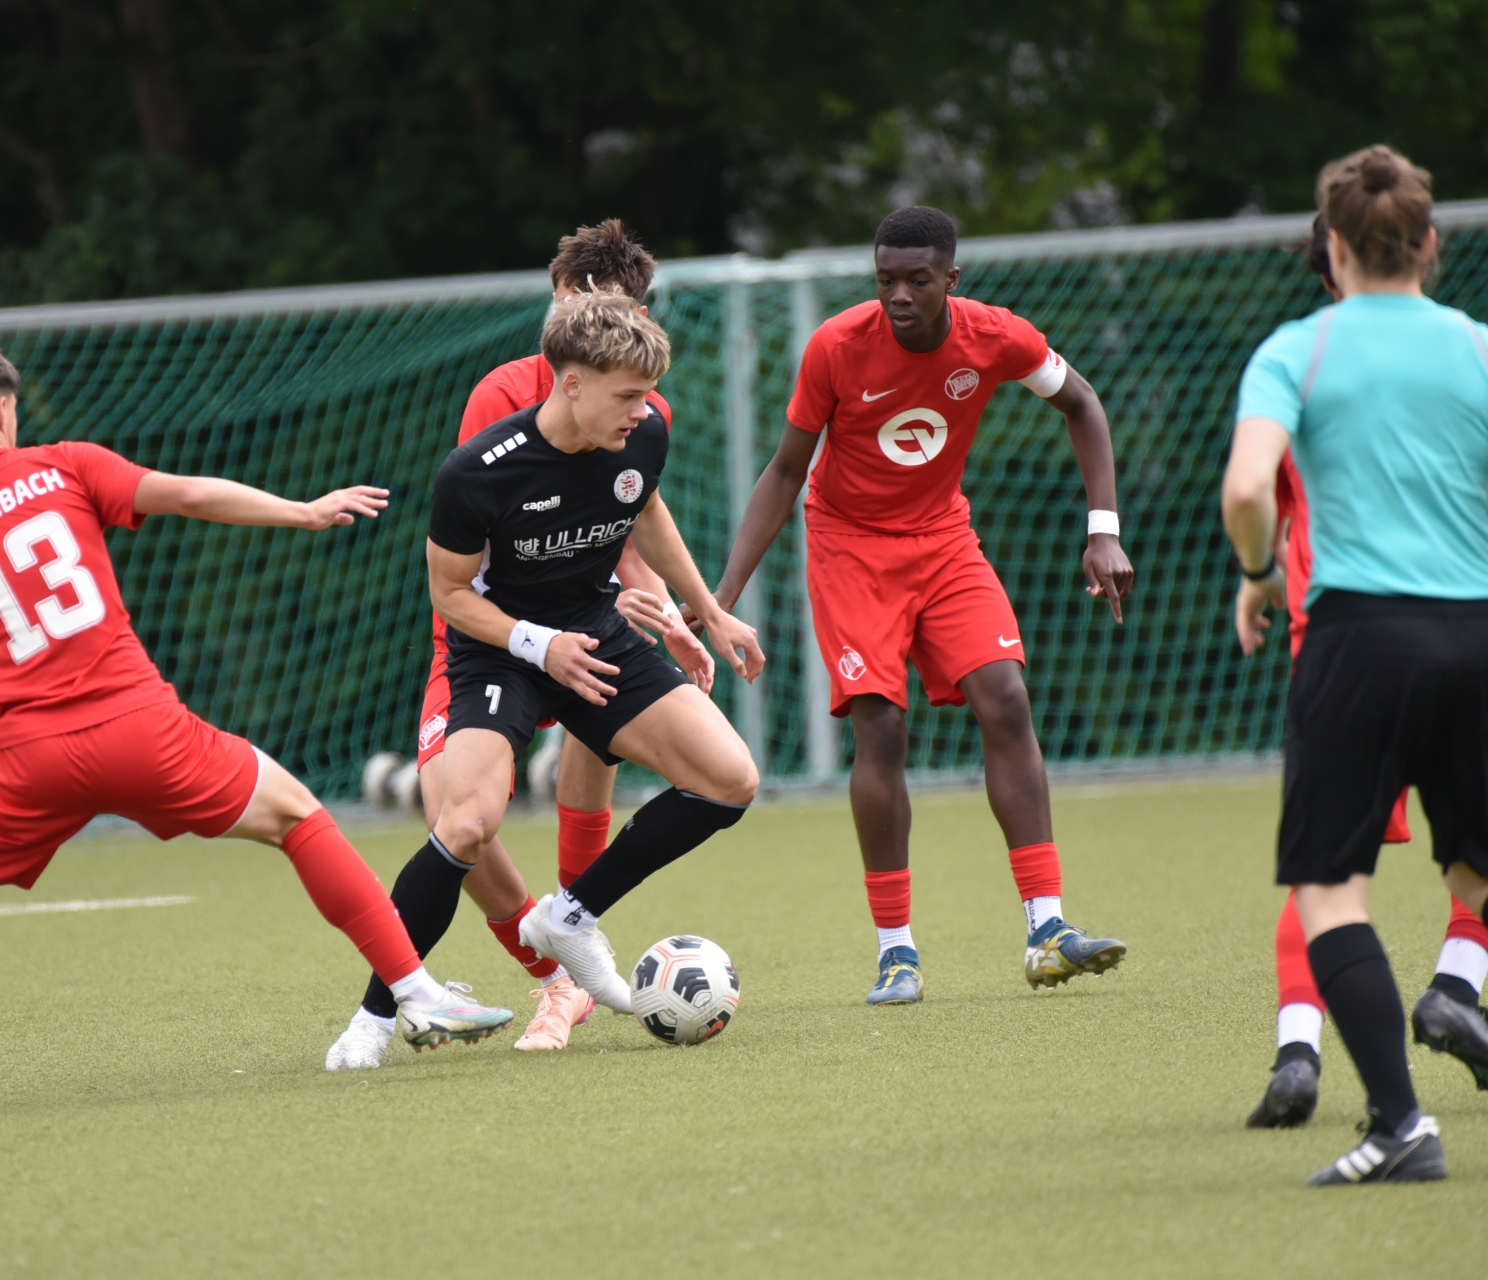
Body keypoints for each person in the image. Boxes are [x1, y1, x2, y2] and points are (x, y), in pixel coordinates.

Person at [0, 335, 512, 1130]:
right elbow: (192, 496)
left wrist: (15, 687)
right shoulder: (63, 466)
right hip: (141, 731)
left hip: (25, 763)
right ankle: (415, 993)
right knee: (296, 815)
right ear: (5, 409)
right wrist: (301, 511)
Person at [698, 205, 1131, 1005]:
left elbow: (1083, 404)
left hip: (943, 539)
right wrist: (719, 597)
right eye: (885, 279)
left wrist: (1102, 531)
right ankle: (895, 952)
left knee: (1005, 699)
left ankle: (1047, 929)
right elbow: (786, 471)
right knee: (882, 726)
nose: (899, 295)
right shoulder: (835, 347)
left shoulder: (995, 336)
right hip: (850, 547)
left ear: (951, 280)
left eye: (917, 280)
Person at [327, 222, 713, 1069]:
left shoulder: (638, 403)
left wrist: (676, 610)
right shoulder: (502, 399)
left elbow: (623, 514)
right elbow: (483, 551)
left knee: (629, 752)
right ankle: (546, 975)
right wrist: (543, 638)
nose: (586, 320)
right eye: (575, 302)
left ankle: (574, 928)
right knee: (459, 821)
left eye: (616, 311)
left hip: (589, 620)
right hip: (492, 635)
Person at [1223, 144, 1488, 1184]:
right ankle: (1456, 991)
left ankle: (1400, 1125)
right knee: (1475, 872)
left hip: (1359, 636)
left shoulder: (1299, 349)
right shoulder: (1476, 346)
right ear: (1430, 244)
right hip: (1477, 631)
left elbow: (1251, 489)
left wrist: (1258, 575)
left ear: (1333, 246)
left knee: (1331, 890)